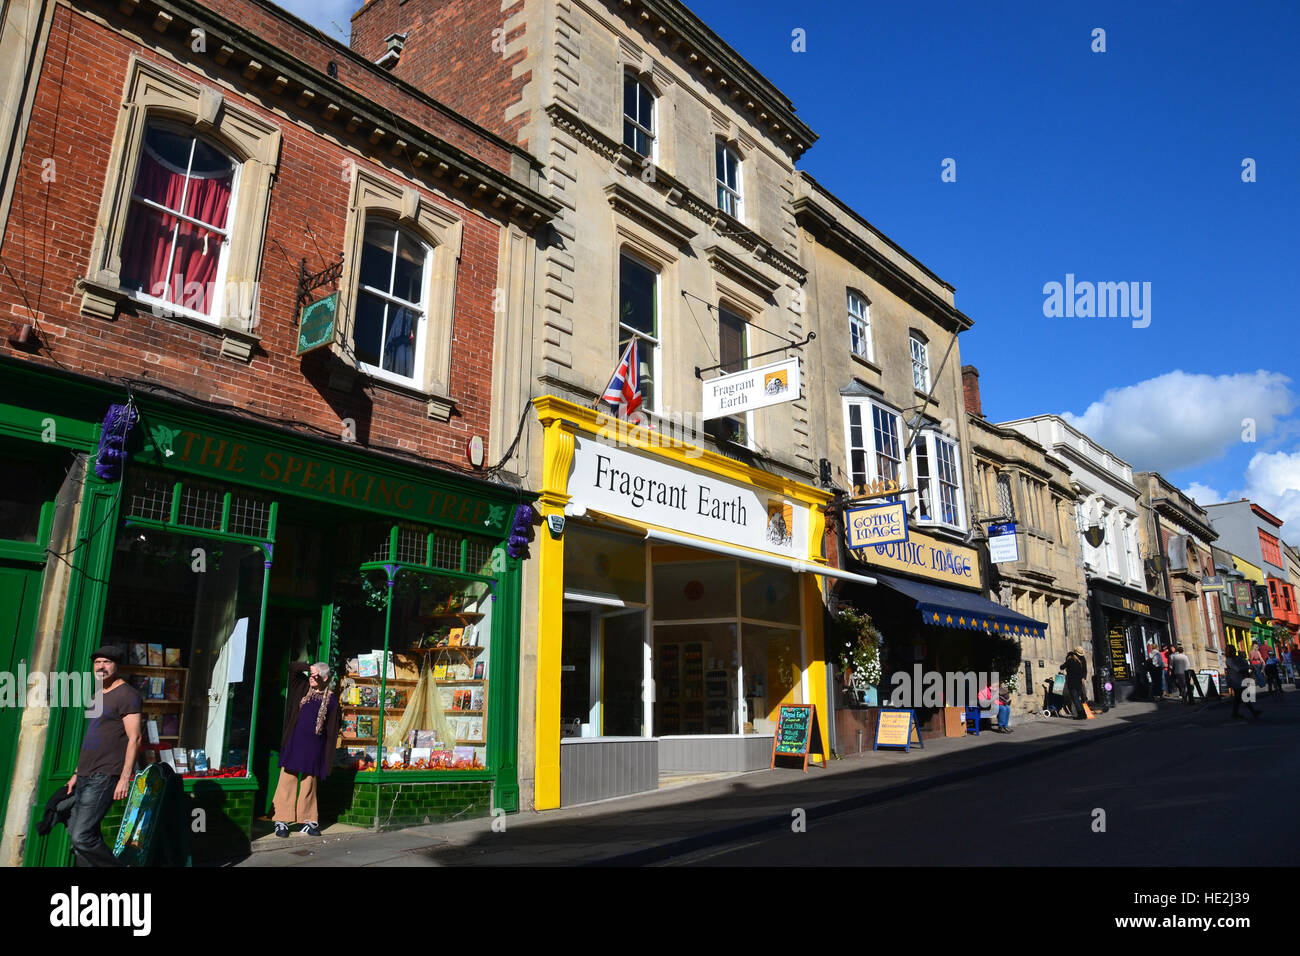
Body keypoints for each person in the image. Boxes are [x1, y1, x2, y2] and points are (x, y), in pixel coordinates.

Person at [66, 645, 142, 866]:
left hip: (106, 774)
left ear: (117, 666)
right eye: (97, 662)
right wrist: (76, 773)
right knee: (81, 835)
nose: (101, 666)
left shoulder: (128, 695)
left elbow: (134, 739)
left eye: (107, 662)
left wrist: (124, 778)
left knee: (82, 837)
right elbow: (93, 736)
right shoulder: (97, 694)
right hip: (86, 773)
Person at [273, 661, 341, 837]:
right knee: (287, 780)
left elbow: (332, 731)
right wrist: (310, 667)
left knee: (309, 784)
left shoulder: (332, 700)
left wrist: (327, 758)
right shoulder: (302, 686)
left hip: (314, 749)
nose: (312, 678)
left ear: (325, 678)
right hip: (295, 743)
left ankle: (307, 821)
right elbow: (292, 668)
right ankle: (281, 820)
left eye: (316, 676)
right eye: (311, 675)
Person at [1227, 647, 1261, 720]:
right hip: (1235, 681)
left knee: (1239, 698)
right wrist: (1247, 667)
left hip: (1239, 680)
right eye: (1233, 650)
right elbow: (1237, 669)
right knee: (1242, 696)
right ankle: (1252, 712)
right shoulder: (1229, 660)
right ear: (1230, 651)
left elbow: (1242, 664)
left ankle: (1235, 713)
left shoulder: (1236, 658)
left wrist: (1244, 661)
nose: (1235, 652)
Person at [1060, 646, 1088, 720]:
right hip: (1079, 682)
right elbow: (1084, 670)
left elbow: (1062, 667)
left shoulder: (1070, 660)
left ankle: (1081, 714)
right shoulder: (1079, 662)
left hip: (1072, 682)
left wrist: (1063, 666)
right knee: (1078, 699)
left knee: (1075, 699)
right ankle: (1083, 714)